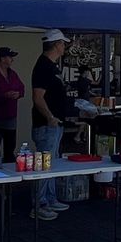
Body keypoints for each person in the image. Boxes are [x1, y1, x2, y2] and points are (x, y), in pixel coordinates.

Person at [29, 30, 71, 219]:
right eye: (63, 43)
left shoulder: (52, 66)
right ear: (56, 44)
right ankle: (39, 203)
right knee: (44, 163)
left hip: (54, 124)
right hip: (47, 125)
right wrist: (49, 117)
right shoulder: (44, 66)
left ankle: (50, 198)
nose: (65, 47)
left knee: (51, 162)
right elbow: (38, 97)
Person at [0, 46, 25, 162]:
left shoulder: (13, 74)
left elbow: (22, 88)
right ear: (2, 59)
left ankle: (10, 172)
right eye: (10, 57)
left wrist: (18, 94)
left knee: (10, 148)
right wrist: (4, 96)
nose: (12, 59)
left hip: (11, 116)